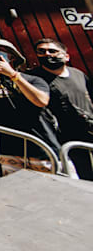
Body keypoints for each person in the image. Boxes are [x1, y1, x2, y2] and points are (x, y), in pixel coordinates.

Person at [0, 38, 61, 173]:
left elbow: (41, 101)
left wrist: (13, 75)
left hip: (42, 146)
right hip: (10, 150)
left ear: (12, 57)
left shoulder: (33, 79)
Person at [30, 38, 93, 179]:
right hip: (65, 141)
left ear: (66, 56)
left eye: (52, 51)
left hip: (88, 132)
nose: (47, 54)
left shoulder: (78, 73)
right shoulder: (35, 78)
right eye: (41, 52)